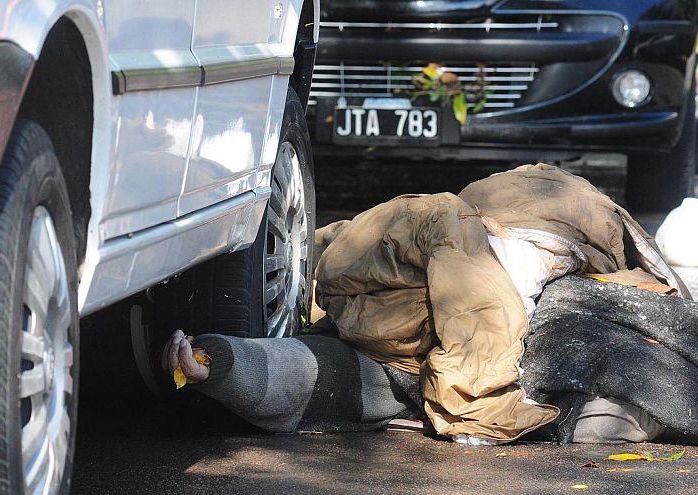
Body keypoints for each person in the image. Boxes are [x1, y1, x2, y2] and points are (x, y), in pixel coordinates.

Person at [163, 165, 698, 446]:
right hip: (499, 238)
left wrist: (217, 363)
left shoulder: (558, 284)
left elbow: (325, 373)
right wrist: (216, 363)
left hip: (530, 232)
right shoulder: (452, 246)